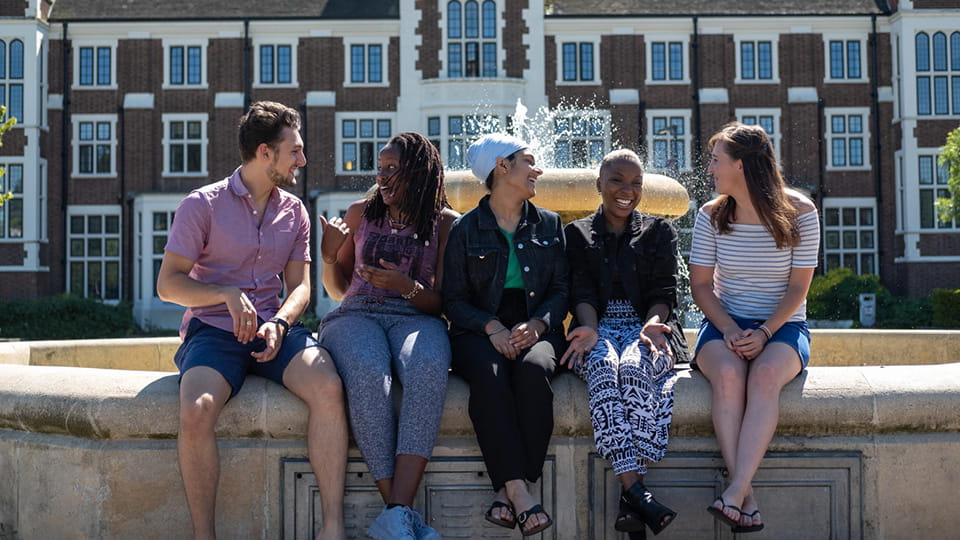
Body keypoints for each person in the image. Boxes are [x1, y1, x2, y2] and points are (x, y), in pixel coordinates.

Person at [157, 101, 348, 540]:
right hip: (214, 333)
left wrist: (280, 323)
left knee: (329, 388)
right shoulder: (201, 205)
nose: (303, 159)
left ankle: (332, 528)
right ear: (265, 153)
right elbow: (168, 284)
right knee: (195, 409)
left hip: (275, 331)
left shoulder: (295, 211)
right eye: (294, 151)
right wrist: (225, 295)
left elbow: (300, 287)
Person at [317, 132, 458, 540]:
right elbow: (339, 289)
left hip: (416, 317)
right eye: (380, 168)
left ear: (420, 171)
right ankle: (400, 516)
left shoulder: (445, 224)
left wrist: (403, 286)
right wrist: (328, 257)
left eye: (393, 168)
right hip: (356, 315)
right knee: (366, 372)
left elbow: (441, 303)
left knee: (430, 366)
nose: (383, 176)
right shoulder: (361, 213)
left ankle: (395, 515)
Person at [690, 122, 820, 534]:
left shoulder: (801, 212)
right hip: (722, 323)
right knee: (728, 375)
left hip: (782, 326)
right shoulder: (711, 215)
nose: (709, 169)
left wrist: (764, 333)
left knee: (764, 376)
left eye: (716, 160)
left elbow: (799, 288)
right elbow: (700, 286)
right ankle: (744, 497)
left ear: (741, 166)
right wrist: (728, 329)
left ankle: (737, 491)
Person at [442, 133, 568, 537]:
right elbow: (453, 300)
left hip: (536, 323)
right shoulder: (465, 229)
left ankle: (507, 490)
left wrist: (539, 325)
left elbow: (562, 290)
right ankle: (520, 490)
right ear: (502, 167)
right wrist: (491, 327)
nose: (538, 170)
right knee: (491, 378)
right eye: (529, 161)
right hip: (478, 328)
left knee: (533, 372)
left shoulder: (549, 223)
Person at [561, 149, 687, 539]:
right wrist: (590, 329)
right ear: (599, 184)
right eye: (616, 180)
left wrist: (651, 325)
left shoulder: (659, 231)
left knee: (633, 369)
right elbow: (580, 290)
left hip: (650, 326)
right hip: (594, 325)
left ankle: (629, 496)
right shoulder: (577, 234)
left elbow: (665, 292)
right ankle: (636, 490)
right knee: (602, 366)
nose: (626, 190)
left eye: (635, 183)